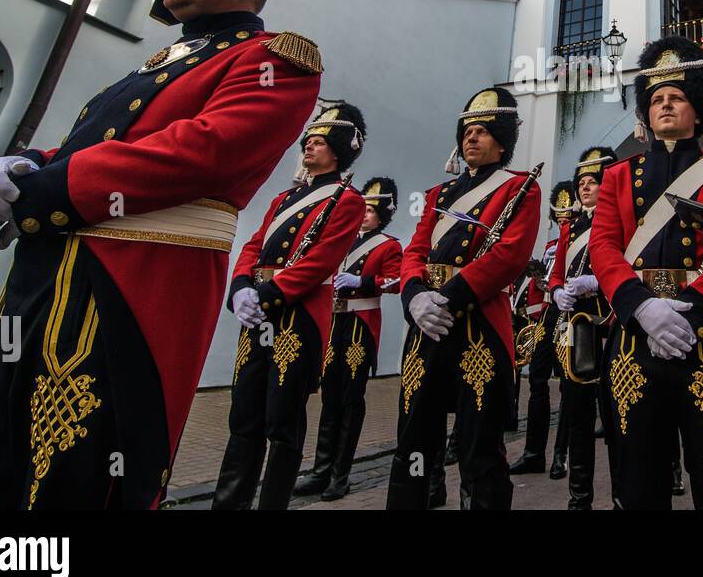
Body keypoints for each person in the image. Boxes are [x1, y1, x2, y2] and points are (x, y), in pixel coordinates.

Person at [0, 0, 335, 509]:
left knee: (76, 472)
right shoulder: (158, 65)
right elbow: (85, 147)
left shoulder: (276, 61)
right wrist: (16, 167)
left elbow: (200, 152)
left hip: (127, 288)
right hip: (47, 276)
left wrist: (40, 191)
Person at [591, 37, 703, 509]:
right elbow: (603, 247)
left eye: (677, 97)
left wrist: (692, 313)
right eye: (656, 100)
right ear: (646, 114)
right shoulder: (618, 177)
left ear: (698, 110)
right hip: (636, 336)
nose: (665, 105)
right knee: (637, 478)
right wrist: (639, 306)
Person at [385, 87, 540, 510]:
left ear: (502, 140)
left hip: (478, 326)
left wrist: (446, 298)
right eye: (467, 131)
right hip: (426, 324)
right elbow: (415, 250)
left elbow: (509, 255)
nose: (472, 138)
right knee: (414, 438)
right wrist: (414, 294)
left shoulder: (520, 189)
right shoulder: (438, 195)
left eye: (484, 131)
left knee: (479, 445)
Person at [213, 103, 367, 510]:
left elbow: (320, 261)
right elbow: (254, 244)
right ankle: (229, 502)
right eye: (308, 141)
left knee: (282, 422)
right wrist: (241, 285)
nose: (309, 146)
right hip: (258, 311)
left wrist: (266, 294)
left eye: (319, 141)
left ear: (337, 148)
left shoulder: (347, 200)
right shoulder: (285, 197)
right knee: (244, 415)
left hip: (297, 317)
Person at [293, 177, 403, 501]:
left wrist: (363, 280)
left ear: (381, 214)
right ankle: (320, 469)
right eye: (363, 210)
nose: (364, 215)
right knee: (329, 397)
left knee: (350, 398)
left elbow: (395, 281)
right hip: (335, 322)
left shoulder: (388, 244)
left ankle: (340, 474)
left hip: (360, 325)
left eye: (370, 210)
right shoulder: (343, 241)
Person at [547, 145, 618, 509]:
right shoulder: (570, 226)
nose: (585, 187)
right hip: (576, 324)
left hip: (610, 319)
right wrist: (557, 289)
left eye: (593, 181)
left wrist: (597, 281)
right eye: (582, 182)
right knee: (577, 413)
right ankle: (580, 497)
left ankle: (624, 493)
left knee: (620, 413)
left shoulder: (619, 217)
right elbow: (556, 270)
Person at [509, 180, 575, 476]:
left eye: (567, 216)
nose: (563, 221)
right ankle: (533, 452)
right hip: (549, 315)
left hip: (573, 315)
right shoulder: (550, 245)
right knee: (537, 380)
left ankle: (561, 454)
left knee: (568, 384)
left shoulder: (585, 236)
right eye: (559, 217)